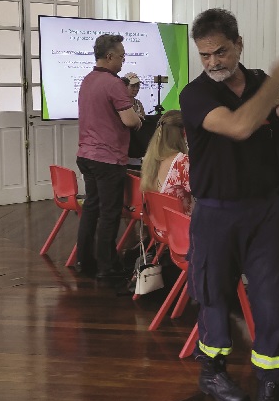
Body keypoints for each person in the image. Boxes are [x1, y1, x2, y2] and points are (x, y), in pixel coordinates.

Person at [179, 8, 279, 401]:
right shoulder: (194, 95)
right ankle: (211, 373)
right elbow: (242, 126)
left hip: (263, 210)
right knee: (213, 294)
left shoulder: (259, 79)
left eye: (220, 51)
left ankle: (270, 389)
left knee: (268, 300)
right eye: (204, 54)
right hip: (214, 211)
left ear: (238, 44)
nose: (212, 62)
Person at [76, 34, 142, 279]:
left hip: (86, 155)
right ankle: (107, 267)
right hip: (107, 158)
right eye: (122, 56)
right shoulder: (113, 83)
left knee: (91, 208)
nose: (123, 61)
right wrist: (138, 122)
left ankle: (85, 260)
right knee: (110, 213)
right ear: (110, 56)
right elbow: (129, 119)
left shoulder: (87, 79)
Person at [140, 110, 193, 215]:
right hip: (182, 227)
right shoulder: (182, 162)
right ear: (184, 133)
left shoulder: (150, 159)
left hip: (159, 228)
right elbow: (204, 190)